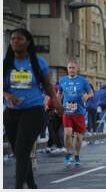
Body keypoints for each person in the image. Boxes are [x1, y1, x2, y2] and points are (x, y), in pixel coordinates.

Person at [3, 28, 63, 188]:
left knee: (22, 149)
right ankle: (31, 185)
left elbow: (47, 85)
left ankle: (18, 187)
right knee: (19, 152)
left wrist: (56, 102)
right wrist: (7, 95)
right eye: (13, 39)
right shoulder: (6, 63)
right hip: (11, 113)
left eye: (19, 39)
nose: (15, 41)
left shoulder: (38, 62)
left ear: (28, 42)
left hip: (33, 111)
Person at [58, 61, 93, 166]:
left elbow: (91, 92)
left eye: (73, 68)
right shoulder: (62, 80)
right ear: (67, 69)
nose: (71, 69)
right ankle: (68, 153)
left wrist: (87, 96)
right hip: (67, 111)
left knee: (78, 136)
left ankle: (77, 154)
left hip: (79, 112)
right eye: (69, 68)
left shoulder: (82, 80)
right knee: (67, 134)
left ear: (77, 69)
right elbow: (59, 93)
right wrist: (57, 105)